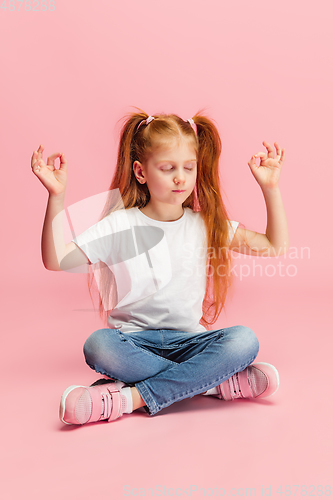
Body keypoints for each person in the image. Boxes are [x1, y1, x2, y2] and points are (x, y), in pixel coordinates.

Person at [31, 109, 288, 426]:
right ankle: (213, 384)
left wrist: (270, 188)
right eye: (167, 168)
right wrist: (56, 196)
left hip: (192, 344)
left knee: (244, 340)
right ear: (141, 172)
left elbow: (274, 246)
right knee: (98, 346)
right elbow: (55, 260)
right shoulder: (120, 224)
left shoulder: (206, 225)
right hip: (135, 343)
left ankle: (126, 399)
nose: (180, 177)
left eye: (188, 168)